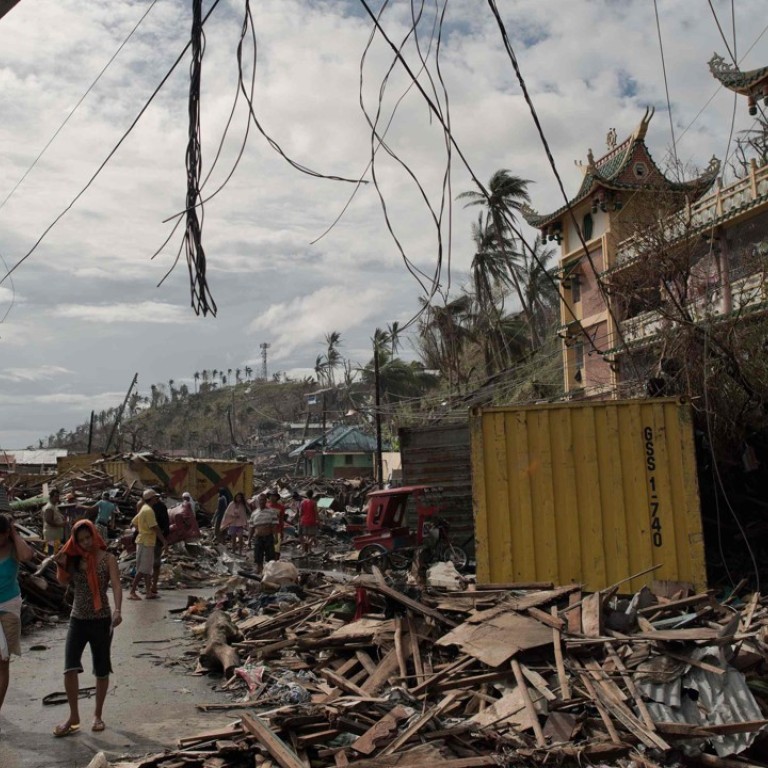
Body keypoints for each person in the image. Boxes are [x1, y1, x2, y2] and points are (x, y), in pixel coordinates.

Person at [53, 520, 122, 737]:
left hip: (101, 620)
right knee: (69, 667)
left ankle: (98, 715)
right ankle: (73, 717)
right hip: (78, 619)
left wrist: (118, 610)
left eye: (88, 537)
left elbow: (117, 584)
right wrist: (61, 564)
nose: (85, 542)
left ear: (94, 535)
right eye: (80, 539)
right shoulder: (74, 559)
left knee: (101, 669)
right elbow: (63, 582)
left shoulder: (108, 559)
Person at [0, 514, 35, 723]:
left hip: (9, 608)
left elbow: (27, 555)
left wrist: (13, 532)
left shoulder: (13, 549)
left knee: (3, 662)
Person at [129, 489, 167, 600]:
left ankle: (148, 592)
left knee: (147, 569)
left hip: (142, 541)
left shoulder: (143, 509)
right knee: (142, 569)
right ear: (152, 499)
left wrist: (142, 530)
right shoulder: (149, 511)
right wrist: (164, 540)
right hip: (147, 542)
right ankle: (132, 592)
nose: (157, 499)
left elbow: (133, 522)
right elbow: (154, 527)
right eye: (155, 497)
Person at [247, 494, 276, 574]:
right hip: (258, 537)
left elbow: (274, 526)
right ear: (258, 501)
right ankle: (259, 570)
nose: (261, 501)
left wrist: (275, 537)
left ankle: (269, 572)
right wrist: (249, 540)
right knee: (258, 555)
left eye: (263, 500)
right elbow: (252, 527)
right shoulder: (254, 513)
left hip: (268, 536)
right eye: (260, 500)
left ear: (266, 501)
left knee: (270, 556)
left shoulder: (271, 512)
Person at [149, 493, 170, 597]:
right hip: (155, 538)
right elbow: (166, 524)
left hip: (151, 538)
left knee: (152, 563)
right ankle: (153, 586)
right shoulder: (154, 507)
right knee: (155, 563)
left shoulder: (148, 507)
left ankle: (152, 586)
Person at [42, 489, 66, 555]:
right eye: (55, 496)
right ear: (51, 497)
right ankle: (50, 565)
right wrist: (59, 525)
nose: (57, 498)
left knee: (55, 553)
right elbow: (48, 520)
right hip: (51, 536)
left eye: (58, 496)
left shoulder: (54, 506)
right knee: (51, 553)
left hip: (55, 535)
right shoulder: (49, 507)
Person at [266, 491, 286, 559]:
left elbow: (281, 519)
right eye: (271, 496)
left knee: (276, 549)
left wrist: (282, 530)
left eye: (274, 496)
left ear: (277, 498)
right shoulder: (266, 506)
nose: (272, 498)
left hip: (277, 530)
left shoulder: (281, 507)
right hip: (268, 530)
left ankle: (276, 562)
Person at [299, 490, 319, 555]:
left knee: (305, 535)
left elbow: (300, 513)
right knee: (312, 535)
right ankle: (309, 550)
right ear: (312, 495)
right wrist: (318, 520)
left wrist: (300, 520)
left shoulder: (302, 502)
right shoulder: (314, 502)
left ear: (306, 495)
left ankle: (305, 550)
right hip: (312, 521)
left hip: (304, 520)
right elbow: (316, 512)